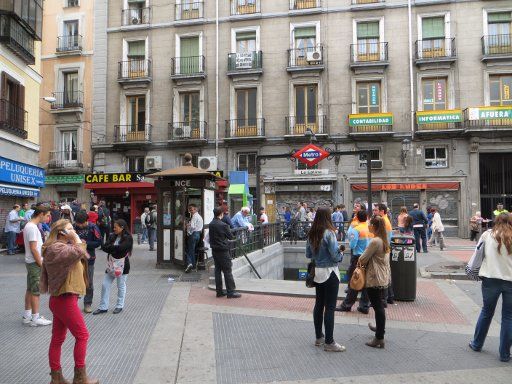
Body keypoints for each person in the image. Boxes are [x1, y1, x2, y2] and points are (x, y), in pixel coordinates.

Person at [40, 219, 99, 384]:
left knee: (58, 338)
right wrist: (77, 240)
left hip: (64, 298)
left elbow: (85, 255)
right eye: (70, 228)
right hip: (64, 299)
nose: (74, 230)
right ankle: (80, 377)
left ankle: (56, 378)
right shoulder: (55, 249)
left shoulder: (66, 247)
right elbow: (77, 253)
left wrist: (75, 241)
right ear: (61, 232)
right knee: (82, 335)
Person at [469, 213, 512, 363]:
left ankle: (477, 344)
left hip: (490, 279)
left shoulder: (487, 235)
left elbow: (477, 254)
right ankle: (504, 354)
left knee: (486, 312)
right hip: (510, 281)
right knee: (509, 317)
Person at [306, 207, 345, 352]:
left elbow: (308, 254)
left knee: (319, 304)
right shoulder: (329, 233)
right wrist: (341, 253)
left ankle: (319, 337)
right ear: (328, 217)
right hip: (330, 272)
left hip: (317, 272)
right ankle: (330, 342)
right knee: (330, 307)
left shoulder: (311, 233)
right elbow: (335, 256)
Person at [359, 215, 391, 349]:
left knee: (377, 306)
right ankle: (379, 329)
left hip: (374, 277)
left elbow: (363, 258)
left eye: (370, 224)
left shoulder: (375, 241)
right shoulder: (384, 240)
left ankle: (379, 337)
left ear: (375, 227)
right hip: (383, 277)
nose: (368, 226)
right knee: (379, 305)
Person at [93, 219, 133, 315]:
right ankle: (103, 307)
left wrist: (111, 248)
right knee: (105, 284)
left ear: (122, 227)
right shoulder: (112, 236)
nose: (114, 229)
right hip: (111, 265)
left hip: (123, 265)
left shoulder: (128, 238)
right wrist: (113, 248)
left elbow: (122, 249)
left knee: (121, 286)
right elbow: (104, 247)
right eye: (114, 227)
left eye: (116, 227)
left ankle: (119, 305)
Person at [22, 205, 53, 327]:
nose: (48, 218)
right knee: (36, 290)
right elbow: (34, 249)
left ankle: (27, 315)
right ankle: (35, 317)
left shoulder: (30, 226)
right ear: (41, 214)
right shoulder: (32, 228)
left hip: (31, 262)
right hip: (35, 263)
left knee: (30, 288)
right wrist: (41, 264)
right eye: (47, 215)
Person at [336, 210, 371, 314]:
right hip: (368, 257)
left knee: (354, 281)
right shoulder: (369, 227)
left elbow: (352, 245)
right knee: (365, 282)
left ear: (357, 218)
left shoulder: (356, 230)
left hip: (357, 258)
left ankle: (347, 304)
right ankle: (364, 306)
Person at [209, 207, 241, 299]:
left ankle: (219, 291)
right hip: (223, 250)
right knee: (227, 270)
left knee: (217, 270)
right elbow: (230, 237)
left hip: (214, 250)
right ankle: (230, 292)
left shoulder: (211, 224)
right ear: (221, 214)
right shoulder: (223, 225)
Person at [74, 211, 102, 313]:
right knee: (75, 281)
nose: (79, 226)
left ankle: (87, 303)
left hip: (89, 259)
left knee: (89, 282)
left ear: (86, 221)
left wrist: (87, 243)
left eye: (81, 223)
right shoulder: (73, 227)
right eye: (78, 223)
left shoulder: (93, 227)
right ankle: (73, 304)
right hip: (75, 258)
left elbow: (99, 242)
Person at [185, 204, 203, 273]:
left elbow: (192, 226)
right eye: (190, 209)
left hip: (194, 234)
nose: (191, 211)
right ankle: (193, 265)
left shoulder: (194, 216)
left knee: (190, 250)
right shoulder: (199, 216)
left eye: (192, 209)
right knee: (192, 250)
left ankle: (190, 264)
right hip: (198, 234)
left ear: (196, 209)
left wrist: (189, 232)